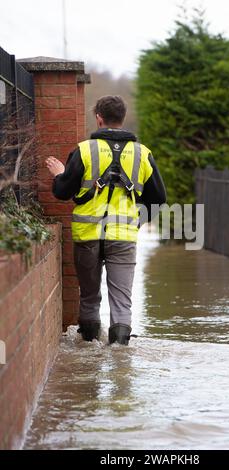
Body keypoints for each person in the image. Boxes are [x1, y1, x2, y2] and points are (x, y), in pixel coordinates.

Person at [46, 95, 166, 345]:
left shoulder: (84, 150)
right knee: (122, 300)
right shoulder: (142, 153)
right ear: (122, 119)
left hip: (87, 236)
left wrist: (60, 175)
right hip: (123, 237)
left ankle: (89, 347)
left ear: (98, 118)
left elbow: (62, 193)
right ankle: (121, 357)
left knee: (89, 296)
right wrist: (137, 222)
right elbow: (158, 198)